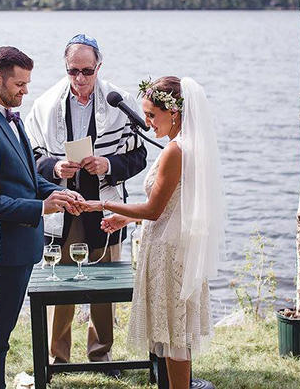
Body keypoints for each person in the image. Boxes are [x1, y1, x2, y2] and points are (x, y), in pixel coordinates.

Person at [81, 76, 225, 389]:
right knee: (177, 335)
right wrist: (126, 220)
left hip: (169, 254)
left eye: (151, 115)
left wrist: (102, 204)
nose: (146, 122)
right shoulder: (191, 146)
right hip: (177, 246)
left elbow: (154, 210)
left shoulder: (175, 151)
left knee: (174, 336)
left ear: (173, 112)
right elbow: (174, 206)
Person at [0, 46, 83, 389]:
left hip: (21, 246)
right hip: (2, 251)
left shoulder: (11, 119)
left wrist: (56, 192)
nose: (25, 90)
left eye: (28, 83)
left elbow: (27, 177)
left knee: (3, 330)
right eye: (19, 83)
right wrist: (41, 208)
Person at [25, 34, 147, 367]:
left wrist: (108, 165)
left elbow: (139, 156)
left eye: (87, 71)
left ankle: (100, 355)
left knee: (105, 285)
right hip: (61, 208)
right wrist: (54, 167)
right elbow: (31, 158)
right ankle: (58, 358)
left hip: (105, 207)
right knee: (60, 283)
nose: (80, 78)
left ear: (99, 67)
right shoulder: (46, 104)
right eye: (73, 70)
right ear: (65, 68)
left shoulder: (119, 102)